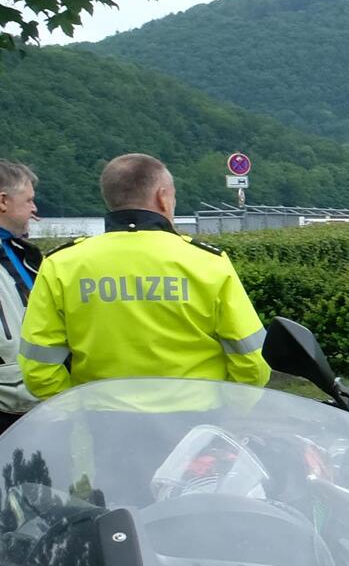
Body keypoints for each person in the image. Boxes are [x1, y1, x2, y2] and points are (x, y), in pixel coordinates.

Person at [20, 153, 271, 397]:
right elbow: (252, 360)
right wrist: (232, 408)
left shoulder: (62, 264)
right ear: (163, 197)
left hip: (102, 422)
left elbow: (38, 368)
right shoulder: (207, 262)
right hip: (196, 423)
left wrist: (75, 411)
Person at [0, 160, 40, 418]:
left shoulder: (21, 254)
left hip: (25, 403)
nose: (35, 210)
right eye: (28, 201)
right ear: (3, 201)